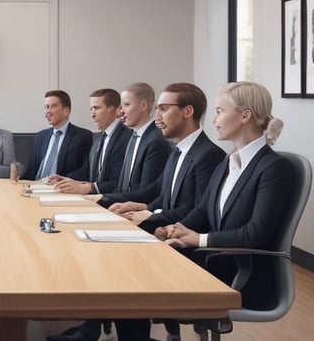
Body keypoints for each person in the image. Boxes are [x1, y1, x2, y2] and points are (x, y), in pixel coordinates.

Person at [161, 81, 293, 311]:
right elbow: (202, 211)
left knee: (144, 279)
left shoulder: (274, 168)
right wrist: (177, 228)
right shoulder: (227, 161)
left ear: (245, 116)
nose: (214, 120)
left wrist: (197, 239)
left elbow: (254, 234)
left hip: (243, 276)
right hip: (215, 262)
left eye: (220, 111)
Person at [108, 83, 225, 233]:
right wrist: (140, 208)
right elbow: (162, 195)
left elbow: (196, 211)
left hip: (184, 245)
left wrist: (148, 216)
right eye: (157, 109)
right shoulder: (176, 150)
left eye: (163, 109)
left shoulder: (209, 155)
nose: (157, 117)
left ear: (188, 111)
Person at [85, 82, 171, 205]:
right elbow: (122, 187)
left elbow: (147, 192)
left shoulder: (156, 140)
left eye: (126, 105)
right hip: (121, 206)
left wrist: (103, 198)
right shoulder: (133, 136)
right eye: (121, 106)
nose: (121, 111)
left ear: (143, 105)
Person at [51, 88, 132, 195]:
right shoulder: (99, 138)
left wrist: (90, 188)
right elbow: (87, 170)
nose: (92, 114)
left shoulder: (127, 137)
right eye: (91, 109)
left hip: (111, 202)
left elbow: (119, 182)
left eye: (97, 108)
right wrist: (66, 179)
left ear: (112, 108)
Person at [24, 90, 92, 181]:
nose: (48, 111)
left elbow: (84, 170)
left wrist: (62, 180)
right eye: (46, 107)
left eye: (53, 106)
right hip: (35, 186)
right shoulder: (40, 136)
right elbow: (30, 171)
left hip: (60, 189)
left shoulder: (82, 136)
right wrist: (18, 172)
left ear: (66, 111)